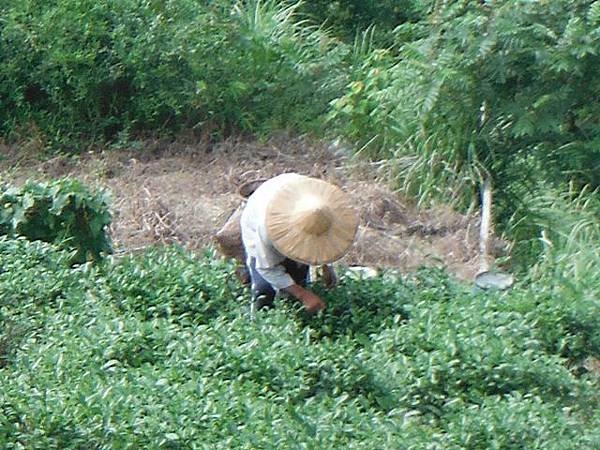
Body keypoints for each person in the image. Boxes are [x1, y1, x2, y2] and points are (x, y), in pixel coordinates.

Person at [240, 173, 359, 314]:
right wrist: (303, 295)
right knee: (264, 289)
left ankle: (295, 314)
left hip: (293, 190)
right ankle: (260, 320)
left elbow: (326, 241)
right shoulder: (265, 227)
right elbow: (266, 268)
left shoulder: (326, 212)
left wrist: (326, 266)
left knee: (297, 280)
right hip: (258, 215)